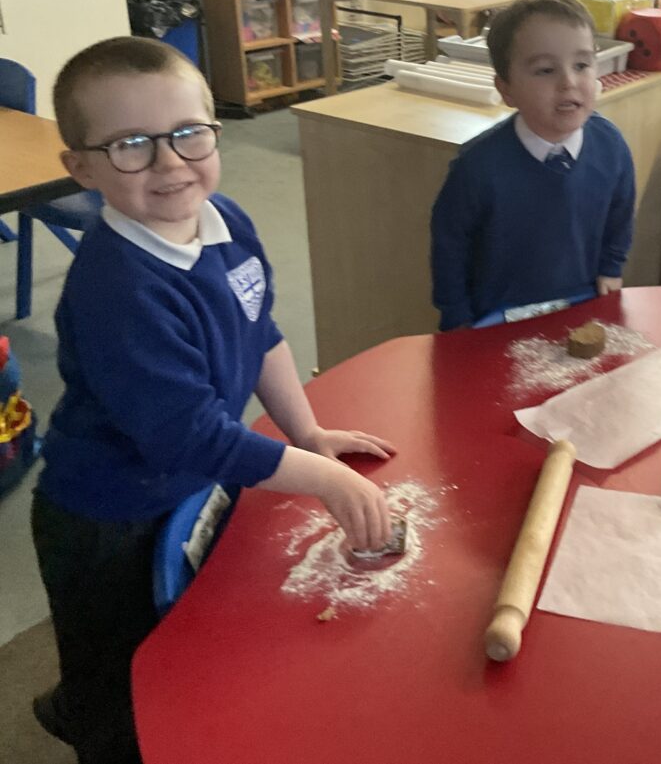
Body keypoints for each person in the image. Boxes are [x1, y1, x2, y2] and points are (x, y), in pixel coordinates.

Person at [30, 37, 397, 764]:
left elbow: (259, 332)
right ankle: (86, 719)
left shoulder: (225, 219)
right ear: (82, 168)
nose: (170, 163)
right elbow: (190, 435)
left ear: (215, 130)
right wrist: (324, 479)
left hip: (187, 488)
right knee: (122, 686)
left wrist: (308, 433)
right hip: (108, 517)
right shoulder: (119, 289)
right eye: (131, 144)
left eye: (188, 133)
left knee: (181, 647)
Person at [430, 0, 636, 330]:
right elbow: (450, 246)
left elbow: (621, 213)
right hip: (496, 318)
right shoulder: (477, 167)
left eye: (582, 65)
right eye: (545, 70)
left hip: (581, 307)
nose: (568, 82)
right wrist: (456, 316)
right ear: (507, 90)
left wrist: (612, 267)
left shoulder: (610, 146)